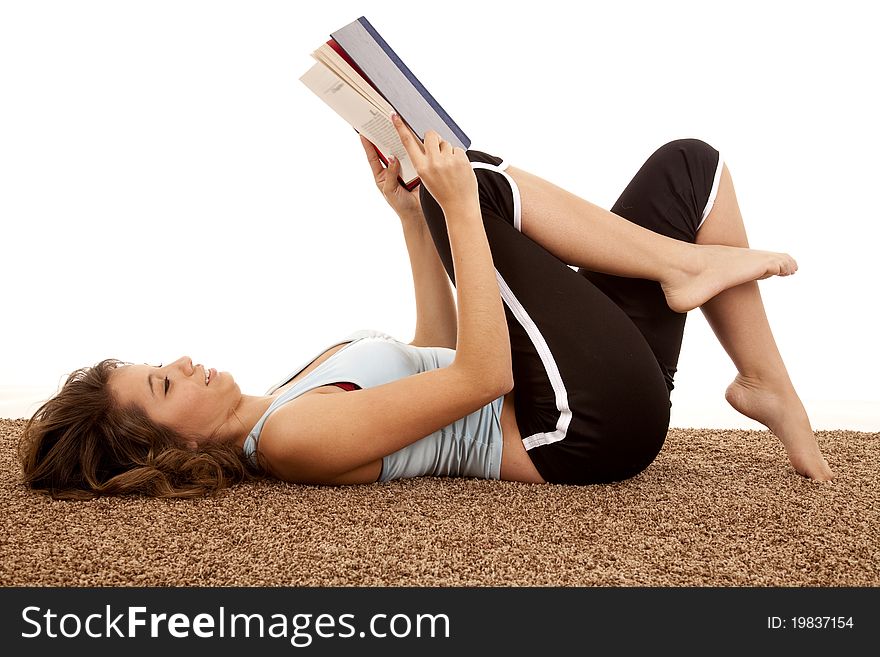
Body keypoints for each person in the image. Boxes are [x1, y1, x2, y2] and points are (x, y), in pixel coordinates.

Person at [19, 114, 835, 500]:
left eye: (161, 364)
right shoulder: (294, 437)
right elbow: (482, 375)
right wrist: (456, 210)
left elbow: (437, 351)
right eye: (165, 386)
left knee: (693, 169)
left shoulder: (290, 392)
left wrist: (412, 216)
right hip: (578, 428)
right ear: (173, 446)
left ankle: (770, 389)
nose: (184, 362)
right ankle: (681, 266)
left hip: (596, 384)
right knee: (469, 178)